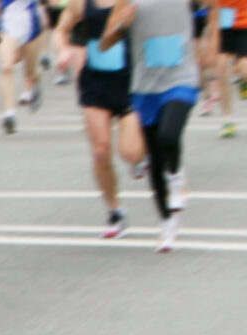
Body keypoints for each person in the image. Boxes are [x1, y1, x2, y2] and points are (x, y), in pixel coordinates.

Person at [101, 0, 198, 250]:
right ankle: (167, 221)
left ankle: (176, 177)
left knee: (169, 136)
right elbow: (105, 43)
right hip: (146, 87)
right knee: (154, 159)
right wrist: (123, 24)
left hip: (181, 77)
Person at [56, 0, 146, 237]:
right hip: (94, 84)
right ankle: (115, 211)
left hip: (129, 82)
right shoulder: (81, 4)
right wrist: (63, 49)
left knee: (131, 153)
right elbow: (60, 31)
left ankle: (142, 154)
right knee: (100, 150)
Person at [0, 0, 48, 135]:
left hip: (30, 21)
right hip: (6, 21)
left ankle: (36, 81)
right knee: (6, 66)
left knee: (30, 71)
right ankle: (9, 114)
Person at [208, 0, 247, 137]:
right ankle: (228, 120)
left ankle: (244, 80)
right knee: (222, 70)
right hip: (222, 25)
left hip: (244, 24)